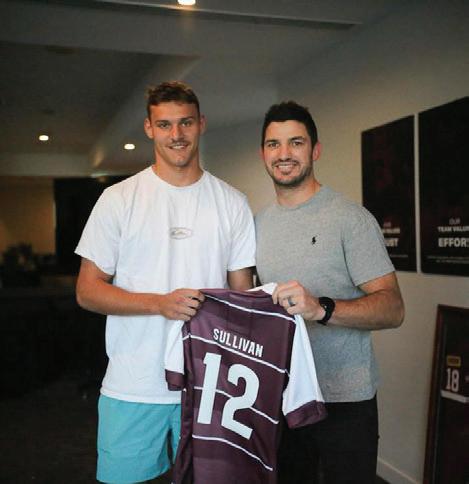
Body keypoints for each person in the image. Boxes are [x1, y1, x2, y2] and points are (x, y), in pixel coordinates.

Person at [75, 81, 255, 484]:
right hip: (133, 385)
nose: (177, 134)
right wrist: (159, 303)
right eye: (165, 124)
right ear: (149, 128)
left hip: (211, 388)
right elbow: (87, 291)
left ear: (201, 123)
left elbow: (242, 299)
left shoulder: (232, 202)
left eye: (186, 122)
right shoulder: (119, 199)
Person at [255, 101, 405, 484]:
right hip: (286, 395)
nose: (284, 154)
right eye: (274, 144)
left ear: (315, 150)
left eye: (296, 142)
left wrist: (320, 307)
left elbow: (393, 308)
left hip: (346, 399)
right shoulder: (257, 225)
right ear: (263, 154)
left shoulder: (350, 219)